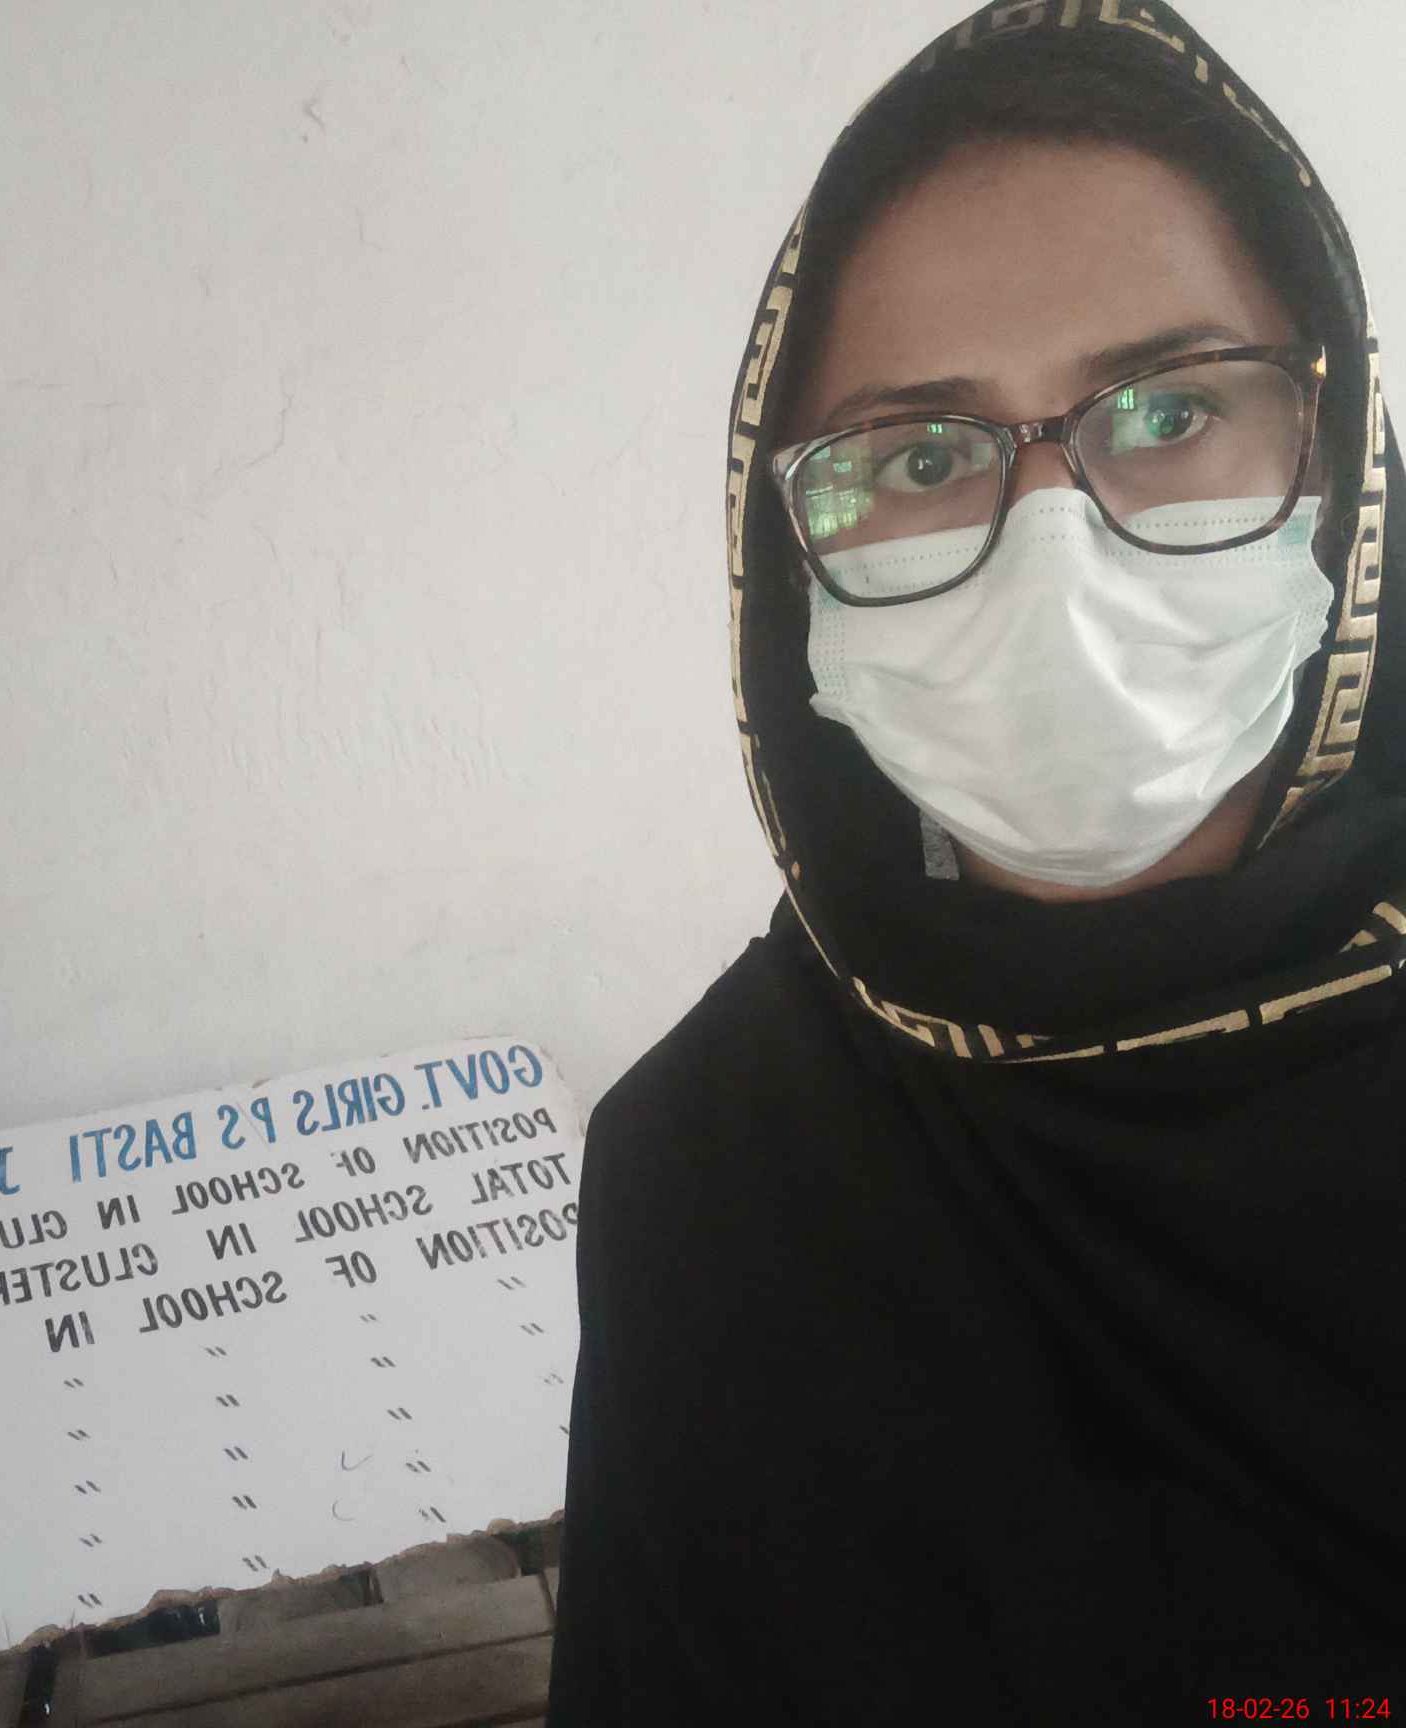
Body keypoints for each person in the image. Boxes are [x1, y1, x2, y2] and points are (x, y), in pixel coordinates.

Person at [545, 3, 1406, 1721]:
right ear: (791, 564)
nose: (1057, 553)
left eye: (1173, 409)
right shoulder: (709, 1180)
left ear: (1336, 454)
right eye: (925, 457)